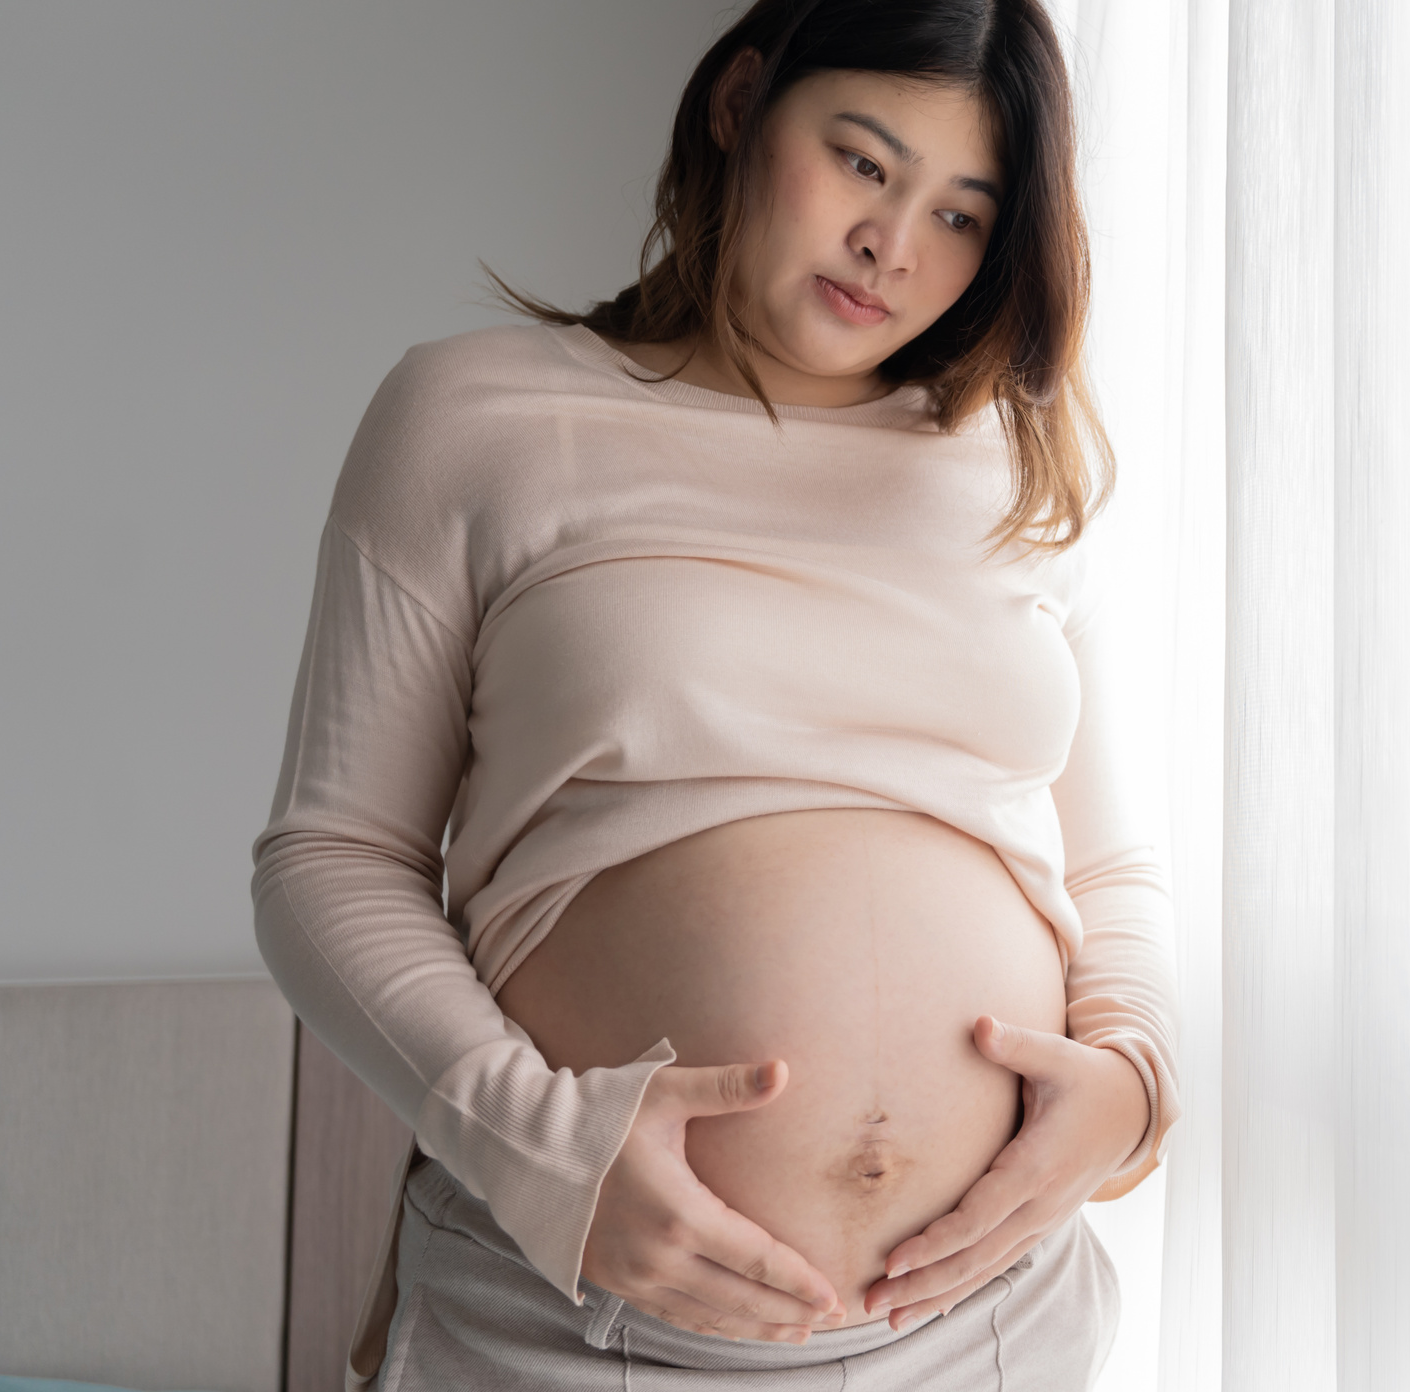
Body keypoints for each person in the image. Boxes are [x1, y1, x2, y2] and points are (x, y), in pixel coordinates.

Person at [249, 2, 1179, 1386]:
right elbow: (330, 860)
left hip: (995, 1325)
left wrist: (1134, 1084)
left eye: (964, 214)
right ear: (744, 102)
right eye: (864, 162)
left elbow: (1108, 870)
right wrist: (537, 1149)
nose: (895, 243)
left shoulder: (1008, 462)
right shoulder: (475, 417)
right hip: (578, 1328)